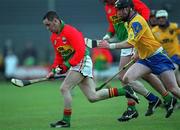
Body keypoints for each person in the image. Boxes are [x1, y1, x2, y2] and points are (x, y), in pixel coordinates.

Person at [42, 11, 138, 128]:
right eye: (45, 26)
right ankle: (125, 91)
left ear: (56, 21)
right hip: (76, 64)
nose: (47, 28)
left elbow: (81, 51)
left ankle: (65, 120)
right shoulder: (54, 37)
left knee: (64, 88)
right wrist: (53, 70)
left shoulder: (70, 31)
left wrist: (66, 66)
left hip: (82, 61)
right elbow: (58, 56)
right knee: (93, 97)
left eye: (48, 25)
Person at [99, 0, 180, 118]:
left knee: (173, 88)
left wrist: (110, 46)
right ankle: (153, 99)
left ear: (129, 9)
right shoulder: (127, 22)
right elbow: (138, 42)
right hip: (145, 59)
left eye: (121, 10)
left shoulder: (137, 22)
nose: (118, 13)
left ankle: (163, 99)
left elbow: (130, 43)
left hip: (158, 58)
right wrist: (137, 52)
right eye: (117, 10)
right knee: (127, 78)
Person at [152, 10, 180, 86]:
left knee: (169, 74)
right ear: (157, 19)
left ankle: (168, 95)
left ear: (167, 18)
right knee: (177, 81)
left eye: (163, 17)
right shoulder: (154, 31)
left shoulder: (174, 26)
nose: (161, 19)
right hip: (164, 57)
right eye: (159, 18)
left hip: (176, 55)